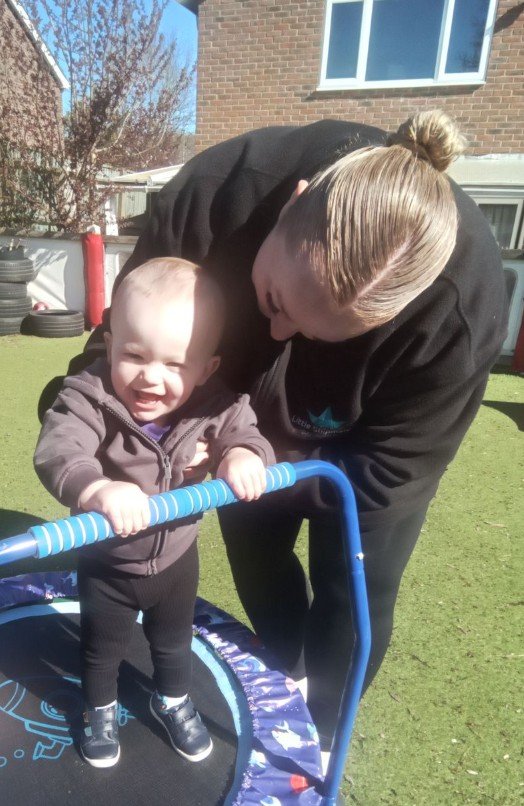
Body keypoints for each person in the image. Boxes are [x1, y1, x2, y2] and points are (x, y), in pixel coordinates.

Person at [42, 110, 507, 765]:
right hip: (230, 432)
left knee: (356, 591)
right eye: (272, 303)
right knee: (257, 558)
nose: (281, 337)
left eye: (323, 333)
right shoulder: (215, 196)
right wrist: (90, 441)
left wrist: (253, 456)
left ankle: (315, 736)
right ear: (292, 204)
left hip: (343, 449)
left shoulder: (455, 319)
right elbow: (119, 341)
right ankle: (284, 672)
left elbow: (386, 480)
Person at [34, 258, 275, 769]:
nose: (150, 377)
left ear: (206, 368)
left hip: (176, 561)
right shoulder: (89, 397)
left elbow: (244, 430)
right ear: (110, 340)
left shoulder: (215, 403)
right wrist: (96, 487)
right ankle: (98, 708)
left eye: (174, 364)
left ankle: (171, 700)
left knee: (173, 642)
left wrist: (242, 454)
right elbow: (60, 448)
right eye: (134, 354)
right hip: (109, 563)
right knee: (102, 649)